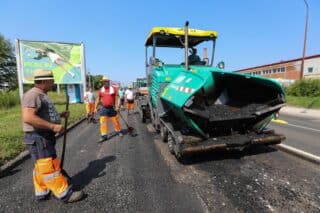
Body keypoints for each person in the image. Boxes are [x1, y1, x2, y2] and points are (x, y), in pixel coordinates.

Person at [21, 69, 84, 203]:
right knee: (48, 166)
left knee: (41, 165)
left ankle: (42, 192)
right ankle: (64, 194)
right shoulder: (33, 95)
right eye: (51, 80)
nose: (53, 83)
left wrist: (59, 116)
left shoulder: (42, 94)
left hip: (42, 136)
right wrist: (53, 126)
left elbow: (43, 114)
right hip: (39, 137)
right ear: (43, 81)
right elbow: (28, 117)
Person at [95, 76, 122, 142]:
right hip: (104, 108)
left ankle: (118, 131)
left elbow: (118, 98)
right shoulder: (101, 90)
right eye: (103, 82)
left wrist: (118, 106)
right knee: (103, 122)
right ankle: (104, 136)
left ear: (108, 82)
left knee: (115, 121)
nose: (105, 83)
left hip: (112, 108)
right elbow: (98, 99)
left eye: (106, 81)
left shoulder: (113, 89)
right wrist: (95, 107)